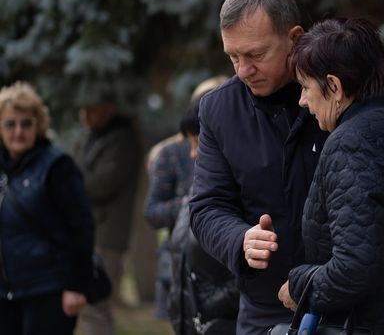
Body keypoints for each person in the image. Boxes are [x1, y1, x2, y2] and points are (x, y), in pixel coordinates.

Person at [190, 0, 384, 335]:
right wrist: (240, 239)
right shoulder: (218, 109)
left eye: (255, 54)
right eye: (232, 56)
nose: (242, 70)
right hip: (266, 305)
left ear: (294, 38)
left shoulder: (354, 87)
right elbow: (207, 206)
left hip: (353, 307)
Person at [276, 17, 384, 333]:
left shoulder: (350, 144)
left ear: (335, 86)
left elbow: (354, 269)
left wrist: (298, 284)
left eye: (305, 87)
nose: (302, 101)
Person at [144, 75, 237, 334]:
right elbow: (152, 212)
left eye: (198, 142)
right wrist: (186, 204)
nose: (193, 153)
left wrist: (210, 303)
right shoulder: (172, 156)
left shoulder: (240, 184)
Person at [0, 81, 95, 334]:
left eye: (26, 123)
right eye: (10, 124)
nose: (18, 131)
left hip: (49, 289)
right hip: (6, 294)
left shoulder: (57, 167)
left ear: (38, 125)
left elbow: (82, 228)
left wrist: (76, 285)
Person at [72, 88, 144, 335]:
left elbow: (102, 184)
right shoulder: (90, 136)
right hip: (88, 231)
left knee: (95, 304)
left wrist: (69, 179)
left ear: (107, 110)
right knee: (89, 305)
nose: (84, 117)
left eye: (90, 111)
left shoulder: (121, 139)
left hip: (106, 235)